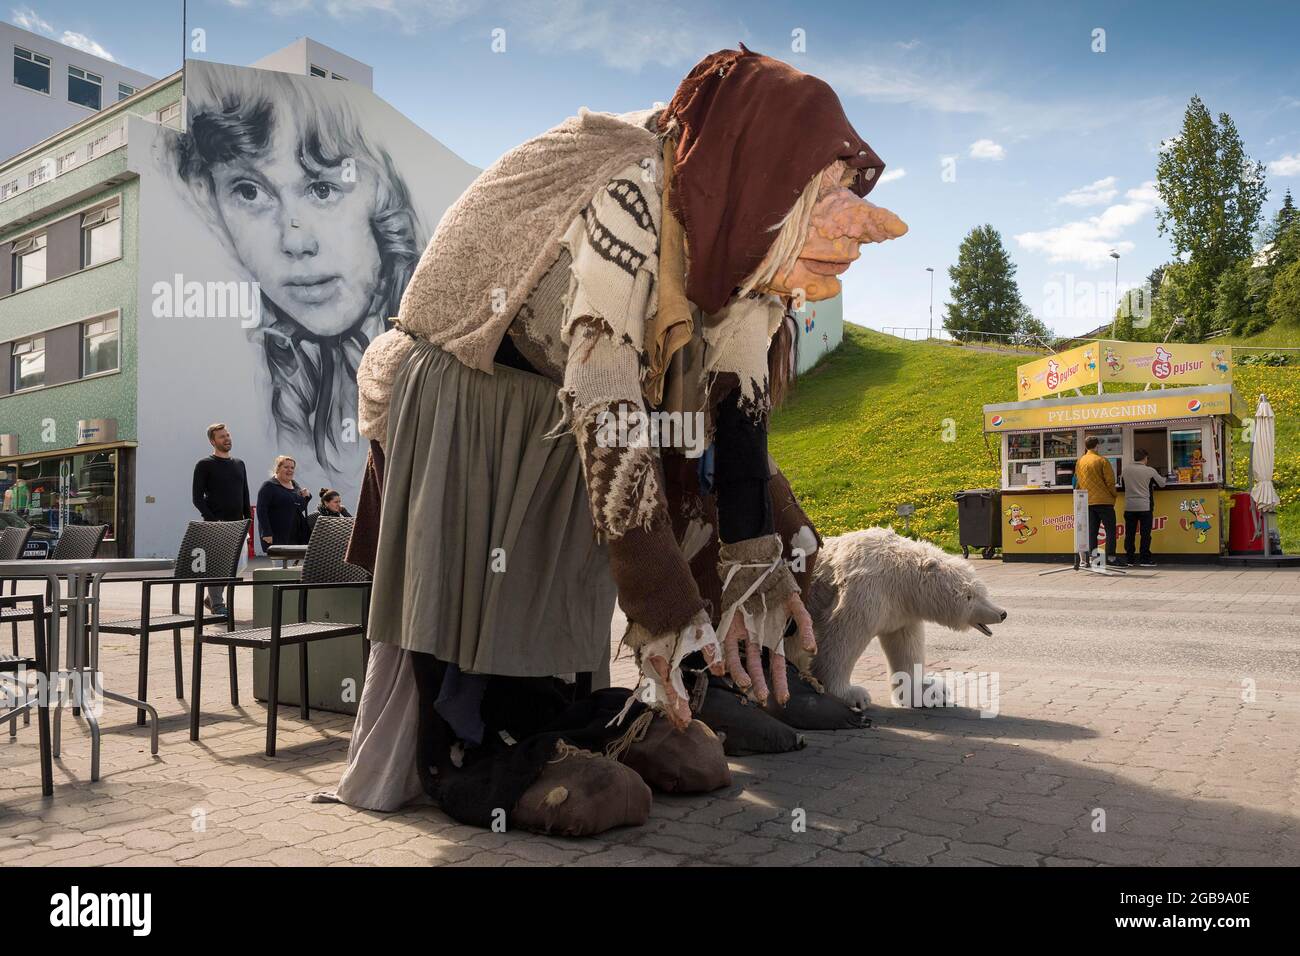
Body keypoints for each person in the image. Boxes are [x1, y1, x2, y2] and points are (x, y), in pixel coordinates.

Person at [328, 46, 907, 827]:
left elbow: (740, 407)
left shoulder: (746, 242)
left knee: (566, 604)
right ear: (767, 174)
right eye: (817, 199)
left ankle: (570, 718)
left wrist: (753, 563)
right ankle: (469, 748)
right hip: (473, 386)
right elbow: (603, 396)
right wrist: (664, 604)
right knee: (493, 592)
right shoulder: (636, 185)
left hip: (554, 406)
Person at [170, 64, 423, 485]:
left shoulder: (422, 356)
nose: (295, 241)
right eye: (249, 191)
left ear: (382, 198)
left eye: (322, 189)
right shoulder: (259, 363)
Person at [191, 423, 252, 615]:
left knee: (239, 566)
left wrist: (248, 520)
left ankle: (211, 599)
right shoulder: (204, 465)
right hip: (215, 525)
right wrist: (213, 520)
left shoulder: (239, 464)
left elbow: (245, 494)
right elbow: (197, 498)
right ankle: (218, 605)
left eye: (227, 435)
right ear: (212, 441)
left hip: (238, 524)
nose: (227, 439)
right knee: (217, 566)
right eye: (221, 437)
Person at [1075, 435, 1120, 565]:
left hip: (1088, 501)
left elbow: (1077, 482)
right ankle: (1111, 558)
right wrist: (1114, 495)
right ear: (1097, 446)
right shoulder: (1102, 460)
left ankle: (1094, 559)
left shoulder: (1080, 461)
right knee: (1110, 530)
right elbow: (1110, 481)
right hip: (1104, 501)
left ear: (1085, 446)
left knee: (1092, 531)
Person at [1121, 448, 1166, 567]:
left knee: (1129, 534)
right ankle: (1144, 559)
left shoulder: (1125, 470)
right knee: (1145, 534)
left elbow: (1122, 485)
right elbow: (1162, 484)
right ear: (1145, 458)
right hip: (1145, 506)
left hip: (1129, 507)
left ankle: (1129, 559)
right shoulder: (1150, 471)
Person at [256, 456, 312, 552]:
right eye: (286, 467)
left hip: (296, 535)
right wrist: (266, 532)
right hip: (278, 535)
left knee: (295, 566)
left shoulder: (295, 485)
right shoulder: (269, 486)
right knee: (281, 564)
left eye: (292, 468)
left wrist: (306, 497)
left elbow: (298, 509)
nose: (289, 470)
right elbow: (261, 510)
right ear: (277, 469)